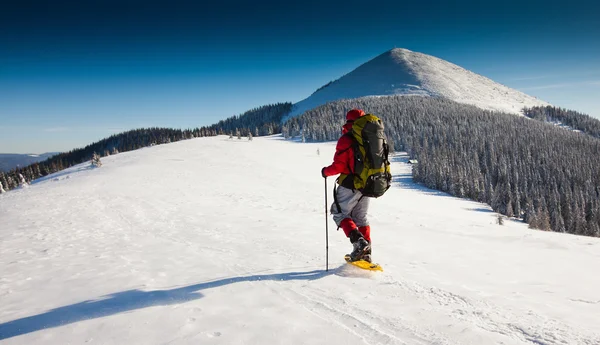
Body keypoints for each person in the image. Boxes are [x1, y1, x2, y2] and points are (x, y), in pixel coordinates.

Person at [321, 109, 372, 262]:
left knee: (339, 212)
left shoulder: (347, 138)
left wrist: (325, 172)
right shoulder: (370, 137)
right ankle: (366, 254)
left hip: (351, 183)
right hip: (368, 184)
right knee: (360, 218)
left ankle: (359, 244)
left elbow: (339, 166)